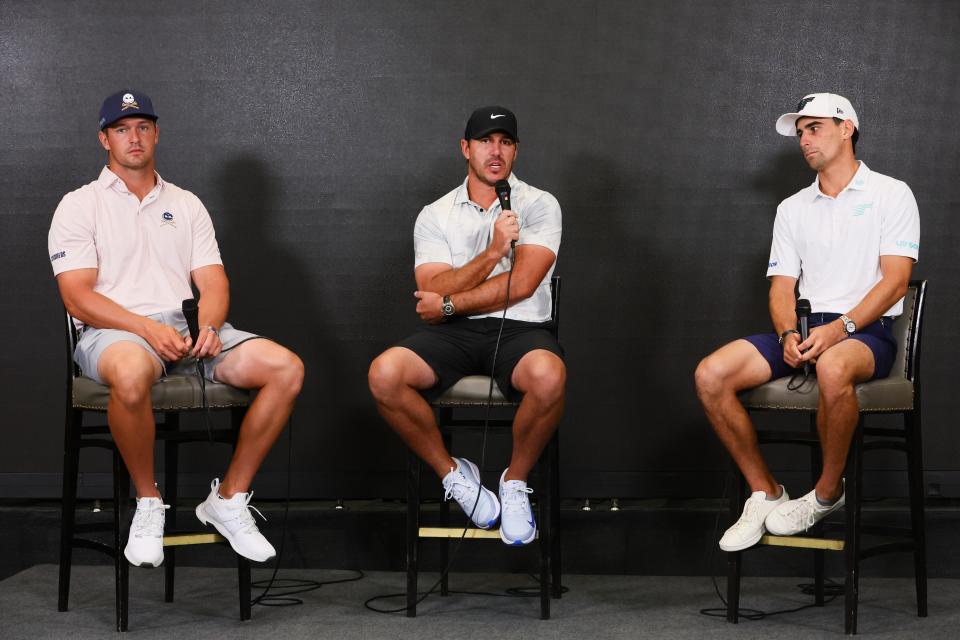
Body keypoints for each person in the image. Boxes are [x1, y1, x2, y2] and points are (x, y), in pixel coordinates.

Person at [48, 89, 304, 567]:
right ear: (105, 139)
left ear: (156, 133)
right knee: (129, 371)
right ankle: (149, 502)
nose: (134, 138)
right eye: (122, 129)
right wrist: (144, 328)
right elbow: (77, 297)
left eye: (143, 127)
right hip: (115, 331)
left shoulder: (185, 203)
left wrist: (208, 327)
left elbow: (214, 283)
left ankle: (228, 499)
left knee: (285, 368)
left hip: (185, 330)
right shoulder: (79, 205)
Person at [695, 93, 920, 552]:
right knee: (710, 373)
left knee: (834, 366)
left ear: (846, 129)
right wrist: (786, 334)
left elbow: (896, 282)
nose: (804, 140)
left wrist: (841, 330)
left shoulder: (891, 193)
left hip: (865, 334)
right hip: (802, 331)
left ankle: (826, 492)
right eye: (800, 132)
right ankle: (766, 491)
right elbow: (781, 289)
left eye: (814, 127)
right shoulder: (793, 207)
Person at [368, 106, 565, 546]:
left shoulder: (539, 204)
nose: (495, 151)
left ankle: (514, 481)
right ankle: (454, 474)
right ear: (466, 148)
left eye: (505, 142)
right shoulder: (434, 214)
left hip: (520, 329)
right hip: (452, 335)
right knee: (385, 374)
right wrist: (495, 251)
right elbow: (430, 287)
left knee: (549, 376)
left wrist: (450, 303)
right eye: (485, 141)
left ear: (516, 151)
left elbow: (524, 284)